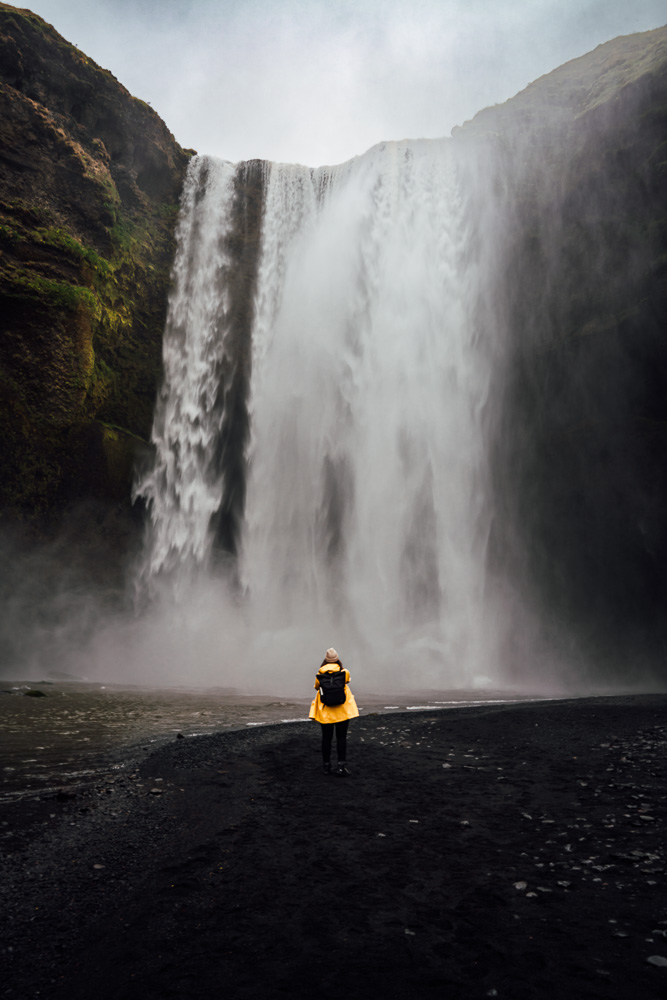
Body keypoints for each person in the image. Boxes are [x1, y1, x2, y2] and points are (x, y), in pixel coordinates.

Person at [309, 647, 359, 776]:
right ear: (337, 659)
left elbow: (316, 688)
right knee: (341, 738)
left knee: (326, 738)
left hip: (326, 711)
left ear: (325, 660)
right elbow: (347, 681)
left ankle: (326, 767)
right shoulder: (344, 672)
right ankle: (341, 766)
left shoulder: (319, 674)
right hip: (342, 711)